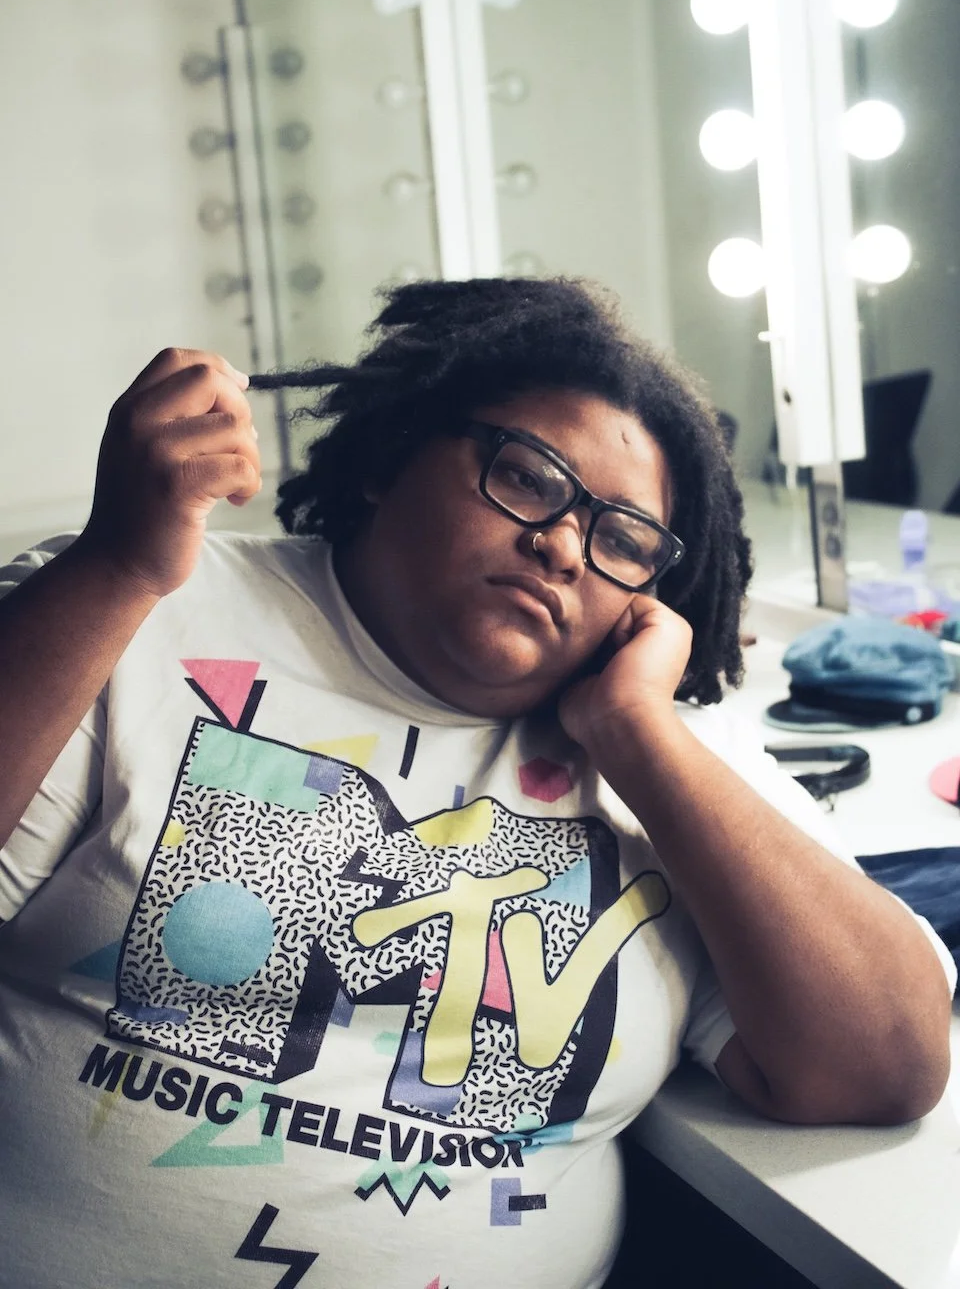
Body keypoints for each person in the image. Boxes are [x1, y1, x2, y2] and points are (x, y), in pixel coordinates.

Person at [0, 276, 952, 1289]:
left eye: (625, 541)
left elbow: (887, 1065)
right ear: (389, 457)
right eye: (530, 475)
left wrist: (636, 734)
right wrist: (115, 566)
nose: (563, 544)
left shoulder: (663, 759)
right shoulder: (144, 603)